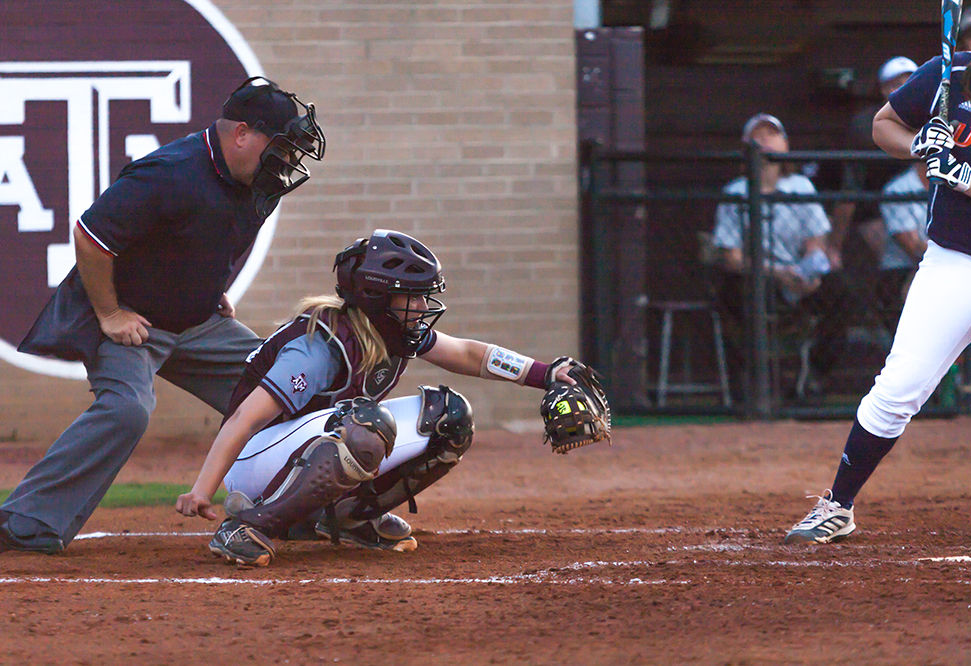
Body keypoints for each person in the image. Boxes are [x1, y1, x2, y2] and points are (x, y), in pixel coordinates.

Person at [0, 77, 326, 555]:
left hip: (198, 322)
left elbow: (214, 235)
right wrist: (110, 312)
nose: (288, 161)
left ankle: (299, 508)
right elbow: (91, 235)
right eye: (280, 146)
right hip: (133, 321)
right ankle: (24, 520)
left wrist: (211, 289)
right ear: (241, 133)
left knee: (285, 386)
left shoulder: (259, 180)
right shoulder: (170, 171)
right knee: (127, 409)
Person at [175, 229, 584, 567]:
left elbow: (467, 354)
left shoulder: (390, 332)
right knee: (365, 424)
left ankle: (348, 517)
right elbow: (245, 418)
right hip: (255, 457)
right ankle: (249, 525)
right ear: (377, 297)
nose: (423, 306)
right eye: (413, 296)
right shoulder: (322, 343)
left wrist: (545, 374)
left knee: (450, 416)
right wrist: (203, 489)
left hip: (311, 443)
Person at [785, 2, 971, 544]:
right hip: (957, 258)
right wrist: (919, 147)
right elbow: (885, 125)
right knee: (898, 387)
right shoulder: (947, 75)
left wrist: (961, 174)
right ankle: (838, 504)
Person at [713, 113, 851, 397]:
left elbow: (816, 241)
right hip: (758, 276)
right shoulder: (735, 192)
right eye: (758, 135)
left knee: (841, 292)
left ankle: (813, 376)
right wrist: (777, 274)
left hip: (799, 274)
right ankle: (756, 387)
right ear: (746, 145)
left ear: (786, 144)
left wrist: (808, 274)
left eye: (772, 134)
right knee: (741, 294)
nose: (765, 141)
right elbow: (732, 258)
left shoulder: (800, 187)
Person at [827, 56, 919, 273]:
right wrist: (834, 246)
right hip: (874, 211)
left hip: (926, 206)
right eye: (895, 84)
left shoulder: (935, 115)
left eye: (910, 81)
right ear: (883, 90)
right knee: (899, 264)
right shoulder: (865, 124)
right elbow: (851, 187)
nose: (903, 88)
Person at [873, 163, 929, 332]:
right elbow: (913, 248)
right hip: (903, 270)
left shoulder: (962, 184)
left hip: (956, 266)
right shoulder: (897, 189)